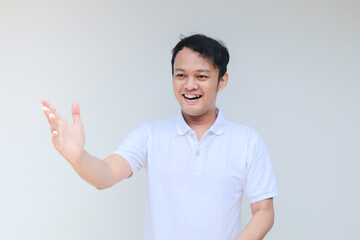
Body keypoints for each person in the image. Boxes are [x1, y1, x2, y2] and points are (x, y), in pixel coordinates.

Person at [41, 34, 278, 240]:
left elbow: (264, 212)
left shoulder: (247, 141)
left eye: (202, 76)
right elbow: (105, 175)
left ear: (222, 81)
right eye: (181, 75)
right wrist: (78, 157)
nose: (190, 85)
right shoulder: (150, 135)